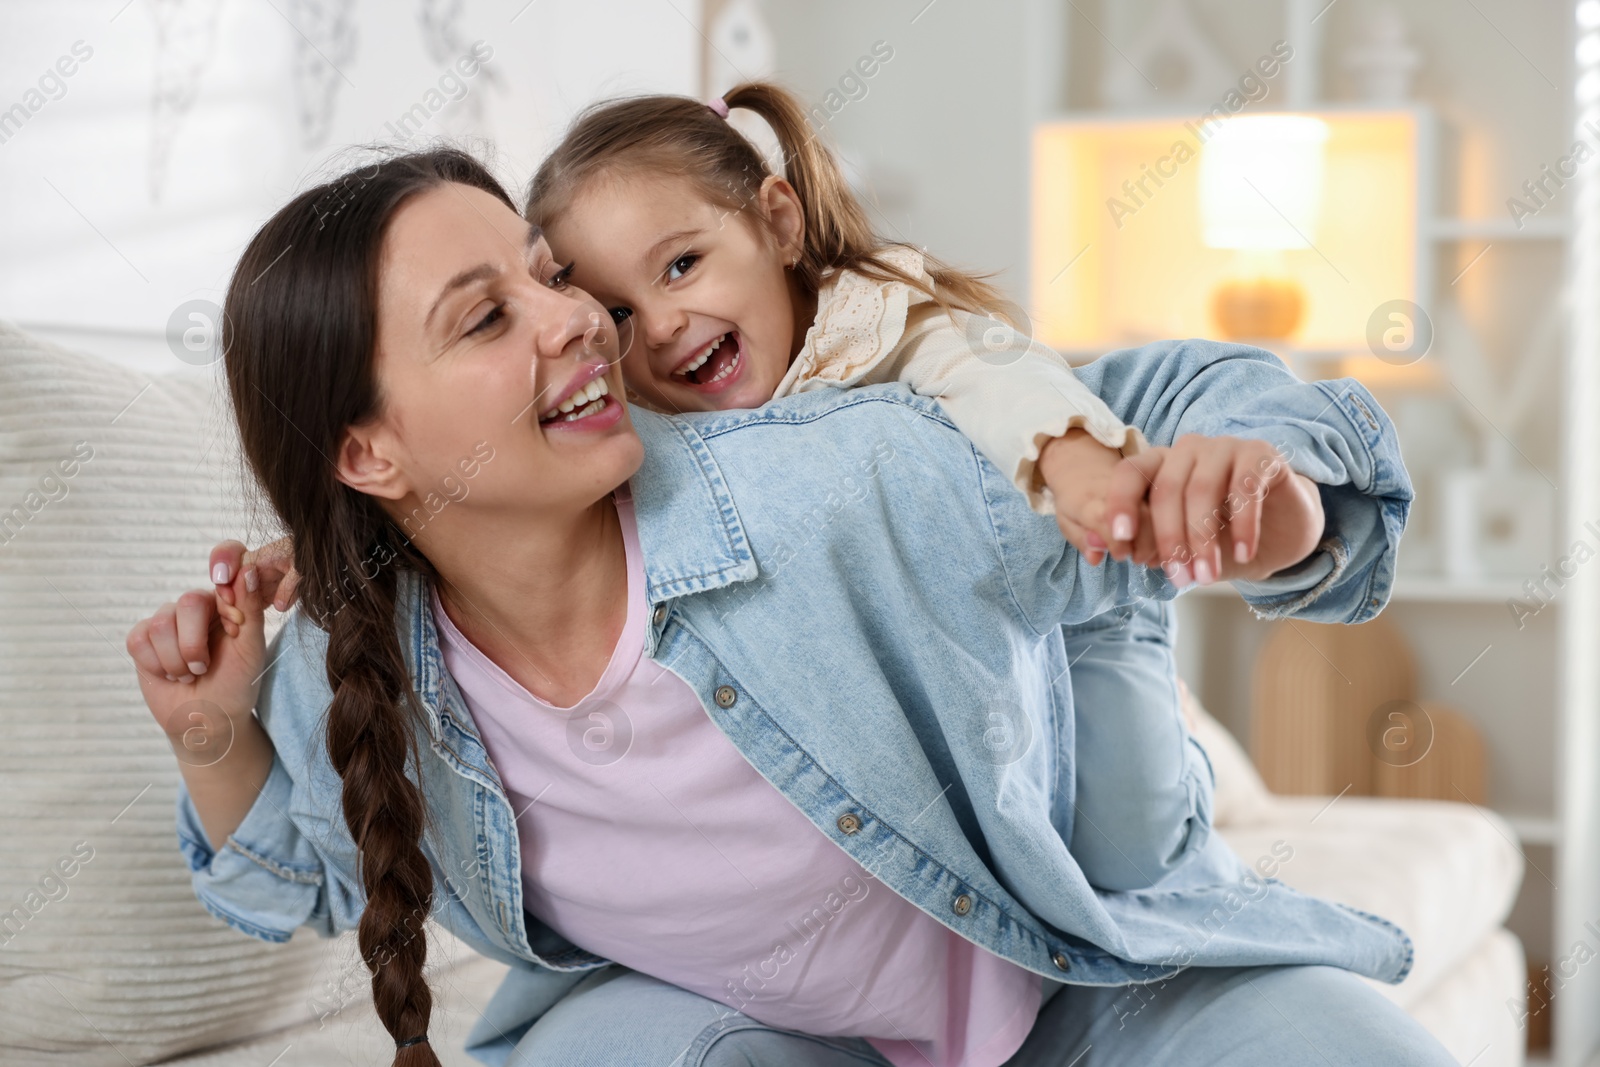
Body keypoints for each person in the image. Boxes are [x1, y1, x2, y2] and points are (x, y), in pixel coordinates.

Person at [128, 148, 1445, 1067]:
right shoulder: (355, 669)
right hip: (775, 1042)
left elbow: (1142, 406)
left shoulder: (835, 481)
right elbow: (305, 883)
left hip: (1087, 990)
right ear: (370, 455)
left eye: (546, 272)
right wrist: (212, 737)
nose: (578, 321)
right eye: (486, 319)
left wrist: (1276, 500)